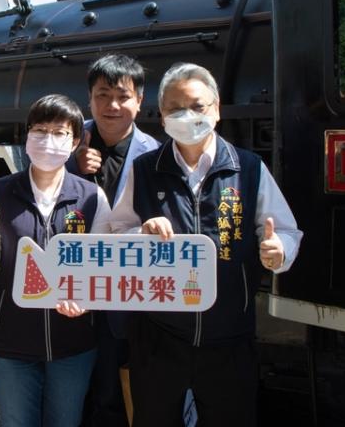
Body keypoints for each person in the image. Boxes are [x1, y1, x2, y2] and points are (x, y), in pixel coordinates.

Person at [96, 62, 303, 427]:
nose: (187, 115)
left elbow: (286, 231)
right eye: (175, 109)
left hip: (229, 333)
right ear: (161, 117)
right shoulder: (144, 169)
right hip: (158, 335)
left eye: (197, 106)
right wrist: (140, 235)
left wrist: (279, 250)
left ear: (217, 108)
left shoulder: (249, 168)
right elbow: (115, 234)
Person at [0, 94, 111, 427]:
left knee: (66, 421)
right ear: (27, 135)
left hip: (73, 342)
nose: (49, 139)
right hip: (10, 341)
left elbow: (103, 265)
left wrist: (87, 302)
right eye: (40, 129)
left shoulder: (91, 197)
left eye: (60, 132)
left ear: (75, 141)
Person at [67, 53, 159, 427]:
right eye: (103, 94)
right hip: (74, 284)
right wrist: (70, 165)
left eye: (123, 95)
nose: (112, 105)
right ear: (89, 98)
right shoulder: (67, 141)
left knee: (114, 385)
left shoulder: (154, 154)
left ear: (139, 101)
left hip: (127, 290)